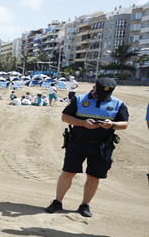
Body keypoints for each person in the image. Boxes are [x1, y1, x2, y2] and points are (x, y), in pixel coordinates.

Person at [45, 77, 129, 218]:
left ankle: (84, 205)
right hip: (78, 143)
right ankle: (57, 202)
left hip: (103, 146)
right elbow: (65, 117)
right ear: (94, 87)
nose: (102, 97)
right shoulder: (79, 99)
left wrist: (112, 125)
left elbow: (124, 124)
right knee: (67, 173)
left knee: (94, 177)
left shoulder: (118, 103)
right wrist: (83, 123)